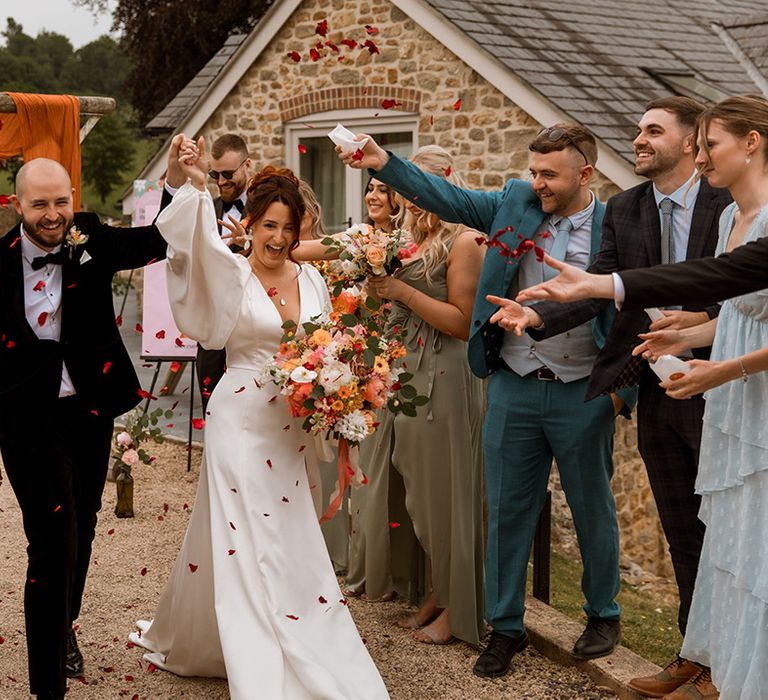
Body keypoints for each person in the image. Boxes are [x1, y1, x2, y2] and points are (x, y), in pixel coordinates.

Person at [340, 125, 636, 676]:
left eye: (550, 174)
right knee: (506, 511)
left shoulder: (614, 223)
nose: (538, 182)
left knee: (593, 507)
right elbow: (445, 197)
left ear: (585, 174)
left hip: (583, 390)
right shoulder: (515, 203)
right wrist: (383, 161)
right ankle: (505, 628)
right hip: (515, 385)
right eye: (535, 171)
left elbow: (634, 302)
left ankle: (603, 613)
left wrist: (620, 395)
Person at [521, 95, 768, 700]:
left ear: (750, 143)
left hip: (739, 394)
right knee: (705, 532)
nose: (707, 153)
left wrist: (715, 360)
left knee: (749, 537)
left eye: (712, 143)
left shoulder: (746, 211)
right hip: (675, 383)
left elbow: (714, 280)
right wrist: (687, 334)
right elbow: (725, 302)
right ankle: (704, 656)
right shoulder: (667, 211)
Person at [129, 137, 388, 700]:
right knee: (246, 537)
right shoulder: (230, 275)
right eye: (268, 226)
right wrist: (195, 184)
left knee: (286, 533)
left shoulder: (314, 280)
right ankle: (259, 660)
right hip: (239, 420)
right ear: (250, 223)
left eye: (288, 229)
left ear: (299, 231)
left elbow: (327, 348)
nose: (277, 239)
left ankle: (245, 633)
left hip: (292, 427)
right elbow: (190, 251)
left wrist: (339, 398)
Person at [0, 148, 182, 699]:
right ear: (17, 205)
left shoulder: (91, 240)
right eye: (39, 204)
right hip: (26, 419)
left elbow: (156, 241)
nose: (52, 213)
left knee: (83, 523)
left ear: (72, 201)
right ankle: (47, 686)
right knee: (50, 539)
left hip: (89, 409)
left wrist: (173, 181)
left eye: (61, 201)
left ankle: (64, 623)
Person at [354, 145, 485, 647]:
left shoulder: (466, 240)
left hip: (446, 377)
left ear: (445, 186)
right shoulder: (408, 239)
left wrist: (403, 292)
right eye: (408, 189)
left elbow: (462, 322)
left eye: (421, 188)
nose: (412, 199)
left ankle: (458, 606)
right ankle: (435, 590)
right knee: (415, 491)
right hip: (405, 371)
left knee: (444, 495)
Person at [195, 133, 252, 410]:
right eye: (214, 175)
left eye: (228, 173)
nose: (221, 182)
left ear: (247, 165)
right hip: (213, 331)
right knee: (212, 411)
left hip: (254, 328)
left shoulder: (267, 207)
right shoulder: (208, 209)